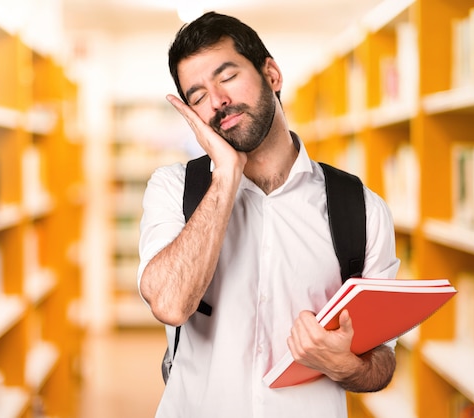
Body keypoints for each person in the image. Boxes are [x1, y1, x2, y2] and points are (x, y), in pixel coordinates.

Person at [137, 11, 400, 417]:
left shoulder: (360, 208)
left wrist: (347, 365)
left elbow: (382, 362)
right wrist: (226, 175)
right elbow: (170, 305)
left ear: (272, 75)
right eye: (198, 96)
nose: (219, 101)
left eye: (226, 77)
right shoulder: (174, 189)